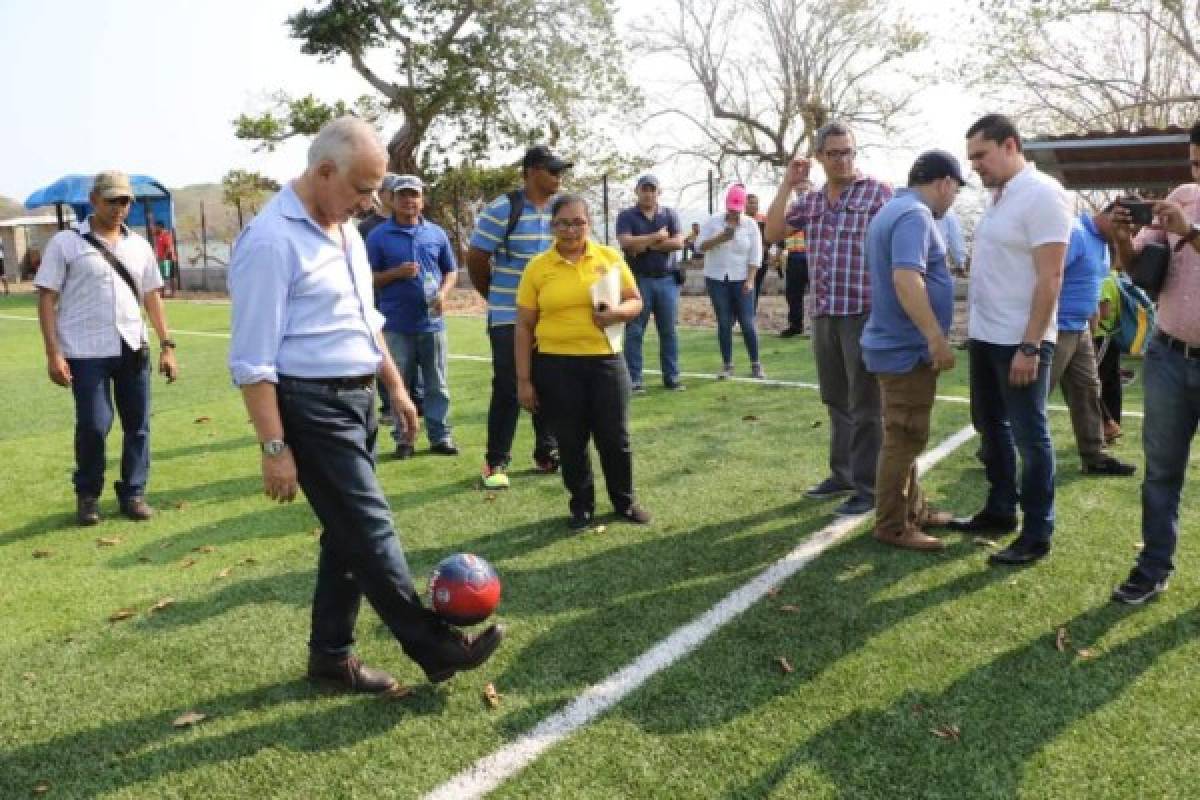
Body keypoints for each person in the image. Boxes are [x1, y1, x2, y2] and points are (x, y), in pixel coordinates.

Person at [227, 116, 502, 692]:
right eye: (361, 188)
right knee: (371, 530)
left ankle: (331, 658)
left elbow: (365, 321)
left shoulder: (346, 232)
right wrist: (274, 447)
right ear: (324, 171)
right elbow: (252, 362)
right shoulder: (271, 241)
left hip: (361, 398)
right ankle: (436, 648)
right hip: (311, 404)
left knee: (346, 536)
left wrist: (396, 388)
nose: (369, 201)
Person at [947, 114, 1072, 567]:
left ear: (1011, 145)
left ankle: (1038, 532)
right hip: (986, 335)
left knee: (1029, 435)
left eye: (981, 155)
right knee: (990, 424)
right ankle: (1001, 509)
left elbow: (1051, 275)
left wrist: (1030, 345)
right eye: (972, 158)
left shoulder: (1043, 195)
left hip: (1020, 340)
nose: (975, 166)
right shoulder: (1000, 197)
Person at [34, 170, 179, 525]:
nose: (119, 207)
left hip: (132, 346)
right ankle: (87, 494)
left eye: (124, 201)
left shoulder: (139, 246)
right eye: (112, 200)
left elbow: (152, 296)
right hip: (85, 351)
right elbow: (46, 298)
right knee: (94, 425)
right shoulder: (66, 244)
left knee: (138, 425)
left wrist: (167, 345)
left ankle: (133, 492)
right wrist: (53, 353)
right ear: (94, 200)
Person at [765, 120, 892, 516]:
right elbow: (772, 232)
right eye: (833, 153)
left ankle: (869, 487)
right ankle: (843, 474)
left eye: (848, 151)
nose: (842, 160)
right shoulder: (814, 200)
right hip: (824, 314)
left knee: (867, 404)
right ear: (819, 157)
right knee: (836, 399)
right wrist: (787, 184)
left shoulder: (877, 193)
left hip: (864, 312)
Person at [515, 194, 650, 530]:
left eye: (578, 222)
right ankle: (581, 506)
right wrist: (524, 380)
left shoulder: (609, 257)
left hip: (605, 361)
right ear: (552, 226)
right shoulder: (538, 268)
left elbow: (635, 301)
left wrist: (618, 313)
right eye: (563, 223)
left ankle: (624, 501)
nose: (571, 230)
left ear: (589, 224)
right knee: (571, 441)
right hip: (556, 366)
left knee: (615, 438)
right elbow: (524, 325)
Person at [1108, 120, 1200, 604]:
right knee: (1162, 470)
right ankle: (1152, 567)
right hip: (1168, 355)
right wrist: (1125, 237)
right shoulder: (1183, 194)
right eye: (1195, 162)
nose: (1197, 174)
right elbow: (1140, 272)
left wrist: (1191, 231)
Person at [862, 151, 965, 551]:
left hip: (897, 344)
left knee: (907, 434)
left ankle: (912, 509)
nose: (953, 199)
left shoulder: (896, 209)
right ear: (944, 183)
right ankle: (891, 524)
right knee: (903, 436)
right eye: (955, 190)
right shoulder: (915, 215)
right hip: (906, 348)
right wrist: (935, 338)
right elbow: (907, 279)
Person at [466, 146, 568, 489]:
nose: (558, 177)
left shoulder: (560, 211)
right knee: (510, 386)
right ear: (532, 171)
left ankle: (546, 451)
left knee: (550, 383)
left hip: (549, 317)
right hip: (509, 315)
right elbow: (477, 257)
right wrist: (495, 297)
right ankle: (495, 461)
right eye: (553, 170)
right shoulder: (503, 208)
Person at [365, 174, 459, 458]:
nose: (409, 200)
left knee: (437, 384)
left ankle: (440, 437)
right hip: (395, 324)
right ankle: (404, 440)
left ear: (422, 200)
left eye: (414, 195)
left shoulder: (436, 233)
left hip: (432, 323)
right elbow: (366, 278)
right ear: (391, 199)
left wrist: (443, 293)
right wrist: (395, 274)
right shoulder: (378, 236)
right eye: (403, 195)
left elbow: (451, 271)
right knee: (400, 385)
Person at [1049, 206, 1136, 476]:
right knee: (1035, 394)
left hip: (1080, 330)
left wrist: (1093, 314)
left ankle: (1094, 456)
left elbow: (1093, 282)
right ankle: (998, 449)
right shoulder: (1075, 233)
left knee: (1088, 389)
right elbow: (1047, 275)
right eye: (1123, 226)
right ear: (1110, 215)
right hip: (1056, 327)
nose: (1126, 234)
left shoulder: (1102, 243)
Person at [616, 173, 685, 392]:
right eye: (644, 189)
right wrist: (656, 237)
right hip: (638, 281)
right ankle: (634, 380)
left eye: (652, 189)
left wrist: (644, 245)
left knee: (669, 332)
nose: (648, 193)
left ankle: (672, 378)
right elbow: (625, 242)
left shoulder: (670, 214)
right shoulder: (626, 215)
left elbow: (678, 243)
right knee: (635, 331)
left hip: (667, 281)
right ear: (637, 191)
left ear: (658, 192)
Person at [697, 184, 765, 380]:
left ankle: (756, 364)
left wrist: (750, 280)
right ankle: (727, 364)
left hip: (742, 279)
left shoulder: (751, 225)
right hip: (717, 279)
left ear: (742, 207)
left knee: (747, 322)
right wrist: (719, 238)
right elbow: (699, 247)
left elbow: (756, 255)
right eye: (730, 208)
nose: (733, 213)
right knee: (724, 322)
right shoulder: (713, 222)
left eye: (737, 209)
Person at [1094, 268, 1124, 441]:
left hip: (1100, 336)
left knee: (1091, 382)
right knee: (1111, 383)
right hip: (1111, 336)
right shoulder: (1113, 276)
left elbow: (1103, 312)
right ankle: (1113, 424)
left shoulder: (1103, 278)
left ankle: (1108, 423)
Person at [746, 193, 777, 311]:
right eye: (751, 203)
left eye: (756, 203)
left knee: (755, 286)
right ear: (745, 204)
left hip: (761, 259)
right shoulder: (741, 220)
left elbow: (772, 237)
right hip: (744, 259)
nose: (754, 205)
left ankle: (751, 313)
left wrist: (770, 252)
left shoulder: (764, 219)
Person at [779, 227, 808, 337]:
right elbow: (780, 240)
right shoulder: (790, 220)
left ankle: (820, 328)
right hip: (794, 258)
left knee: (819, 294)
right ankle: (795, 326)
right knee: (793, 295)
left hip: (813, 257)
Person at [937, 208, 968, 275]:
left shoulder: (910, 205)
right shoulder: (946, 210)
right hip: (936, 265)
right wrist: (960, 263)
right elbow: (956, 239)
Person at [152, 222, 176, 298]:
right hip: (162, 259)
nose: (155, 229)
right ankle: (163, 292)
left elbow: (168, 247)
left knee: (168, 276)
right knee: (163, 276)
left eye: (156, 227)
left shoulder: (165, 235)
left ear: (160, 227)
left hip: (168, 259)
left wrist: (164, 257)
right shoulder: (158, 236)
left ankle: (172, 293)